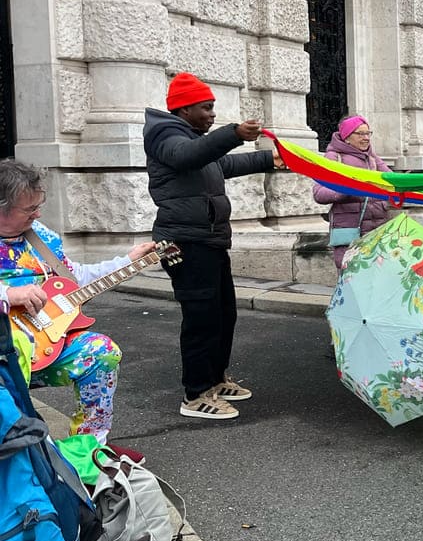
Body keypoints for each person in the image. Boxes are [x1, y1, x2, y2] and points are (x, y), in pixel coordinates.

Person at [144, 73, 283, 421]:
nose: (211, 115)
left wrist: (271, 160)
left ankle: (216, 379)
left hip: (208, 240)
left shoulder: (195, 139)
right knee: (201, 318)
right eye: (206, 108)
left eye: (213, 109)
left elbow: (224, 163)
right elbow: (189, 155)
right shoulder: (166, 135)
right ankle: (195, 394)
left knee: (223, 314)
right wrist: (234, 134)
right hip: (185, 242)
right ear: (184, 108)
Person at [0, 159, 156, 442]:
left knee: (102, 351)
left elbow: (74, 277)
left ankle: (88, 446)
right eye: (29, 209)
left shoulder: (42, 237)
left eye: (39, 205)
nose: (37, 214)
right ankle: (21, 449)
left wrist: (128, 261)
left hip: (48, 343)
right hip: (5, 357)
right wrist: (9, 294)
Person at [312, 115, 392, 270]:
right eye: (360, 134)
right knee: (351, 279)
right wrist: (346, 190)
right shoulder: (334, 157)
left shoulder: (372, 157)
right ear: (347, 137)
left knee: (375, 278)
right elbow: (319, 193)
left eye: (368, 133)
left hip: (377, 230)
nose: (366, 138)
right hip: (350, 233)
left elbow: (392, 180)